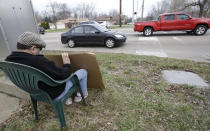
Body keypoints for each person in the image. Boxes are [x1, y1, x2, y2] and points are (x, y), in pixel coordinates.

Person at [5, 32, 88, 105]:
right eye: (40, 49)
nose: (40, 52)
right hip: (54, 94)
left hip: (35, 93)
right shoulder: (38, 61)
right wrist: (67, 64)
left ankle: (68, 98)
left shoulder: (8, 61)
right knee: (83, 72)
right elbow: (62, 75)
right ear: (33, 48)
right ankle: (81, 94)